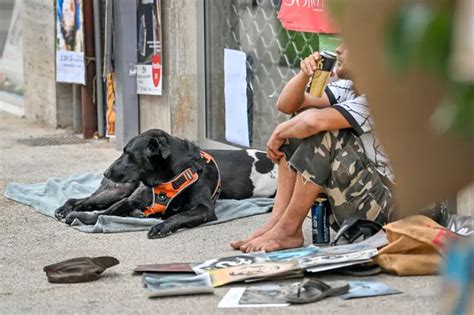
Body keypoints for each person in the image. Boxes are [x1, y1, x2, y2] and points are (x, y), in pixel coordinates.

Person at [230, 44, 395, 253]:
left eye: (348, 43)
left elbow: (313, 123)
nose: (338, 49)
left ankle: (288, 230)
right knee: (298, 123)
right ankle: (277, 225)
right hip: (362, 203)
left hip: (389, 216)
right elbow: (287, 105)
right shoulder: (349, 87)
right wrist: (304, 75)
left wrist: (280, 132)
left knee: (323, 131)